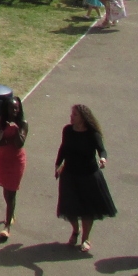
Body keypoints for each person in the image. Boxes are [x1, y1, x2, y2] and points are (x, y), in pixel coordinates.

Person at [56, 103, 116, 254]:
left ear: (83, 118)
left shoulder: (92, 133)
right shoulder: (67, 130)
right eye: (72, 114)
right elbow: (63, 148)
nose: (71, 117)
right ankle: (75, 230)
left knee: (87, 210)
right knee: (69, 208)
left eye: (75, 115)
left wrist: (103, 159)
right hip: (70, 174)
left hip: (88, 176)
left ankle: (85, 238)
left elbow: (102, 150)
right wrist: (58, 164)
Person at [0, 95, 28, 243]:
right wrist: (5, 139)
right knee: (6, 191)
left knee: (12, 192)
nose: (14, 111)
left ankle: (7, 226)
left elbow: (19, 144)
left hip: (16, 160)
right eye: (11, 108)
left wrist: (16, 128)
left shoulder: (23, 123)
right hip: (2, 159)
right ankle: (11, 212)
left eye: (16, 108)